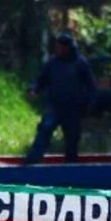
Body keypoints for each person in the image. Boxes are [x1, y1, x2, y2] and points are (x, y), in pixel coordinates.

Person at [25, 32, 97, 164]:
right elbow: (40, 80)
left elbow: (91, 86)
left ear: (68, 47)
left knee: (72, 140)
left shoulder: (80, 63)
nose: (58, 50)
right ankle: (32, 163)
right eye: (57, 47)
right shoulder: (52, 63)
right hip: (54, 107)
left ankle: (70, 166)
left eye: (61, 47)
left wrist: (90, 105)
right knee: (43, 133)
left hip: (73, 109)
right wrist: (33, 89)